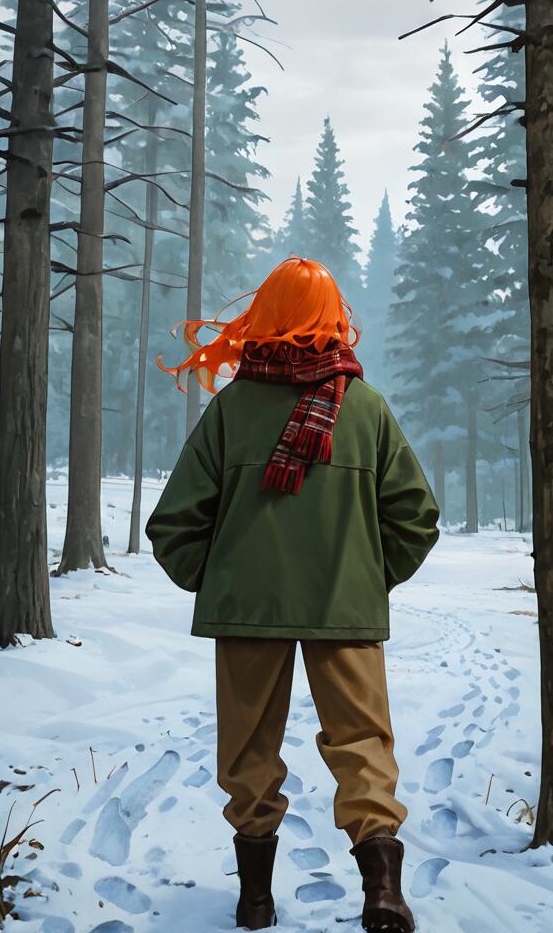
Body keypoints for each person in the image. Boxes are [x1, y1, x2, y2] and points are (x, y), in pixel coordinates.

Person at [145, 256, 440, 932]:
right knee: (364, 745)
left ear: (265, 315)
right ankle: (384, 893)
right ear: (335, 317)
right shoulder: (364, 409)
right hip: (346, 610)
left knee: (248, 753)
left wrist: (223, 579)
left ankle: (254, 900)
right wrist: (363, 576)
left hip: (248, 611)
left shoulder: (232, 409)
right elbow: (417, 518)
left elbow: (173, 525)